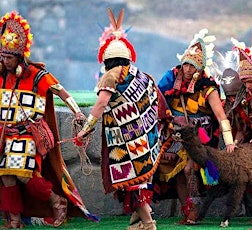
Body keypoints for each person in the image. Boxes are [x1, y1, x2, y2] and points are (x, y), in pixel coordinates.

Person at [0, 11, 97, 228]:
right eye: (2, 56)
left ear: (19, 57)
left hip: (27, 135)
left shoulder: (36, 75)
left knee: (21, 172)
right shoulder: (1, 74)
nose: (4, 60)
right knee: (6, 175)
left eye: (8, 57)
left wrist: (78, 113)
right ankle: (14, 220)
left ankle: (57, 201)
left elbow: (61, 91)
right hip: (5, 136)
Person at [76, 8, 165, 230]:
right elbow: (157, 104)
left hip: (126, 142)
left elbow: (101, 103)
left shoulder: (111, 74)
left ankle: (148, 223)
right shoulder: (142, 75)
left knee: (133, 184)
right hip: (147, 139)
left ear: (108, 61)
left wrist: (86, 129)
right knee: (138, 182)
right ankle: (138, 222)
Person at [157, 29, 235, 225]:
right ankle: (188, 209)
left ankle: (196, 209)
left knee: (190, 169)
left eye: (192, 66)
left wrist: (230, 142)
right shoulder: (169, 80)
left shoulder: (207, 87)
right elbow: (157, 102)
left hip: (201, 136)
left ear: (199, 70)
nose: (187, 70)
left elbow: (220, 115)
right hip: (175, 135)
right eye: (185, 64)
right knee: (174, 170)